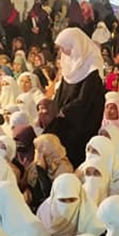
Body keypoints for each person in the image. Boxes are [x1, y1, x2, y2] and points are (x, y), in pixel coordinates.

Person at [47, 28, 105, 166]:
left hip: (81, 124)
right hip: (64, 120)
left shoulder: (92, 67)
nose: (63, 52)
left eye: (65, 48)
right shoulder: (69, 62)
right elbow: (62, 90)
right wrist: (55, 109)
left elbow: (85, 100)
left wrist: (66, 111)